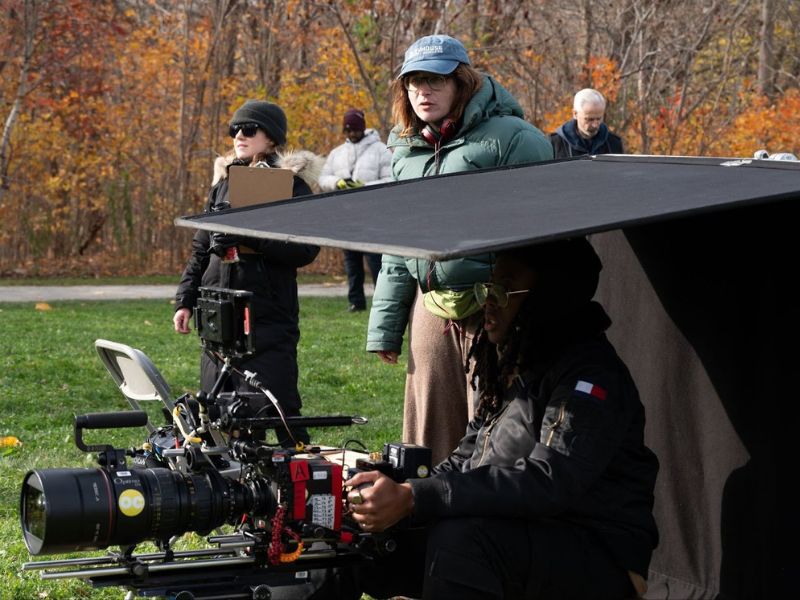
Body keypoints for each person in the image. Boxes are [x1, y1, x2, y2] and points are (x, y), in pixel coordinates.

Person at [348, 238, 659, 600]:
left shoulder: (590, 375)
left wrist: (419, 497)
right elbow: (467, 458)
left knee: (461, 541)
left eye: (506, 289)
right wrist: (396, 498)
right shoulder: (513, 362)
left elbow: (548, 482)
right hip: (517, 533)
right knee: (360, 542)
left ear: (551, 295)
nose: (488, 300)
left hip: (597, 553)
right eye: (488, 286)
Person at [366, 34, 553, 463]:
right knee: (428, 426)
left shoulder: (515, 138)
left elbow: (546, 240)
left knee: (493, 426)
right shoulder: (405, 146)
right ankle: (420, 513)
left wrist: (518, 310)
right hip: (430, 305)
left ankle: (483, 517)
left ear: (462, 82)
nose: (422, 92)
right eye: (413, 82)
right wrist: (386, 326)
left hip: (494, 307)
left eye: (434, 80)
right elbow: (399, 241)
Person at [173, 99, 321, 446]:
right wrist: (185, 300)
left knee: (280, 408)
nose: (239, 135)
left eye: (249, 129)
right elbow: (199, 249)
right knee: (218, 410)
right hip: (217, 314)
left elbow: (306, 249)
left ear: (271, 138)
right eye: (234, 129)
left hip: (266, 314)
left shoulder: (291, 185)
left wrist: (250, 236)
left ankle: (300, 480)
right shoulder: (222, 183)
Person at [319, 108, 392, 312]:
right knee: (352, 264)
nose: (351, 134)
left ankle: (382, 301)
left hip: (372, 215)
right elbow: (322, 178)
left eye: (355, 130)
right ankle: (356, 302)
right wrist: (338, 182)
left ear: (363, 129)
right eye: (348, 131)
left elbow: (392, 180)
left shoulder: (380, 150)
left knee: (376, 262)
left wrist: (365, 187)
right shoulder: (337, 153)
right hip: (346, 215)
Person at [550, 88, 624, 158]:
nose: (595, 125)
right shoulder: (556, 143)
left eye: (599, 119)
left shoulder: (613, 143)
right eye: (589, 119)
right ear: (575, 114)